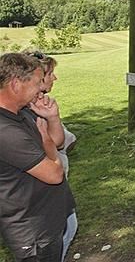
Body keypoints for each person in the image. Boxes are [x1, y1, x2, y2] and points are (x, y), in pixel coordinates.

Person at [0, 53, 76, 261]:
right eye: (36, 83)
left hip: (48, 219)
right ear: (16, 84)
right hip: (33, 231)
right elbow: (54, 174)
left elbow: (57, 141)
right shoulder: (5, 131)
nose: (40, 89)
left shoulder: (21, 112)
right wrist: (47, 142)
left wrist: (52, 117)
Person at [27, 51, 78, 261]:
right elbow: (54, 145)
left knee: (69, 228)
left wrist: (53, 118)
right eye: (50, 74)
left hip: (56, 185)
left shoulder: (41, 105)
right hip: (44, 190)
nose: (54, 78)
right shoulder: (26, 113)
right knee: (59, 236)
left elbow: (58, 141)